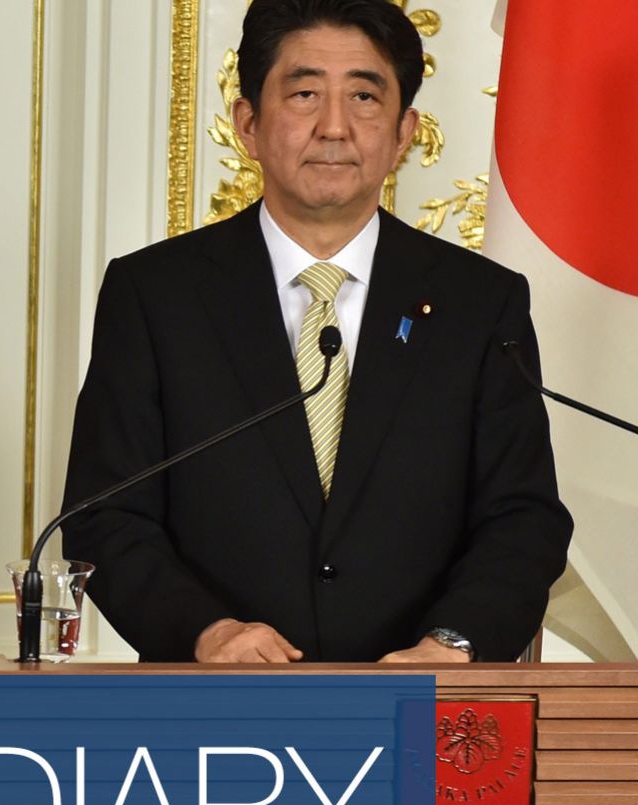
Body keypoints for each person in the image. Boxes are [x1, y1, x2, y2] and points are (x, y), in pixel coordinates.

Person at [60, 0, 571, 663]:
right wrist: (208, 633)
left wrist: (452, 644)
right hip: (218, 702)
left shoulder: (480, 302)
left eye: (364, 96)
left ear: (404, 131)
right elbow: (106, 515)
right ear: (248, 122)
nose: (334, 127)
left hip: (427, 704)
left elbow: (523, 516)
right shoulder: (156, 294)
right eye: (304, 94)